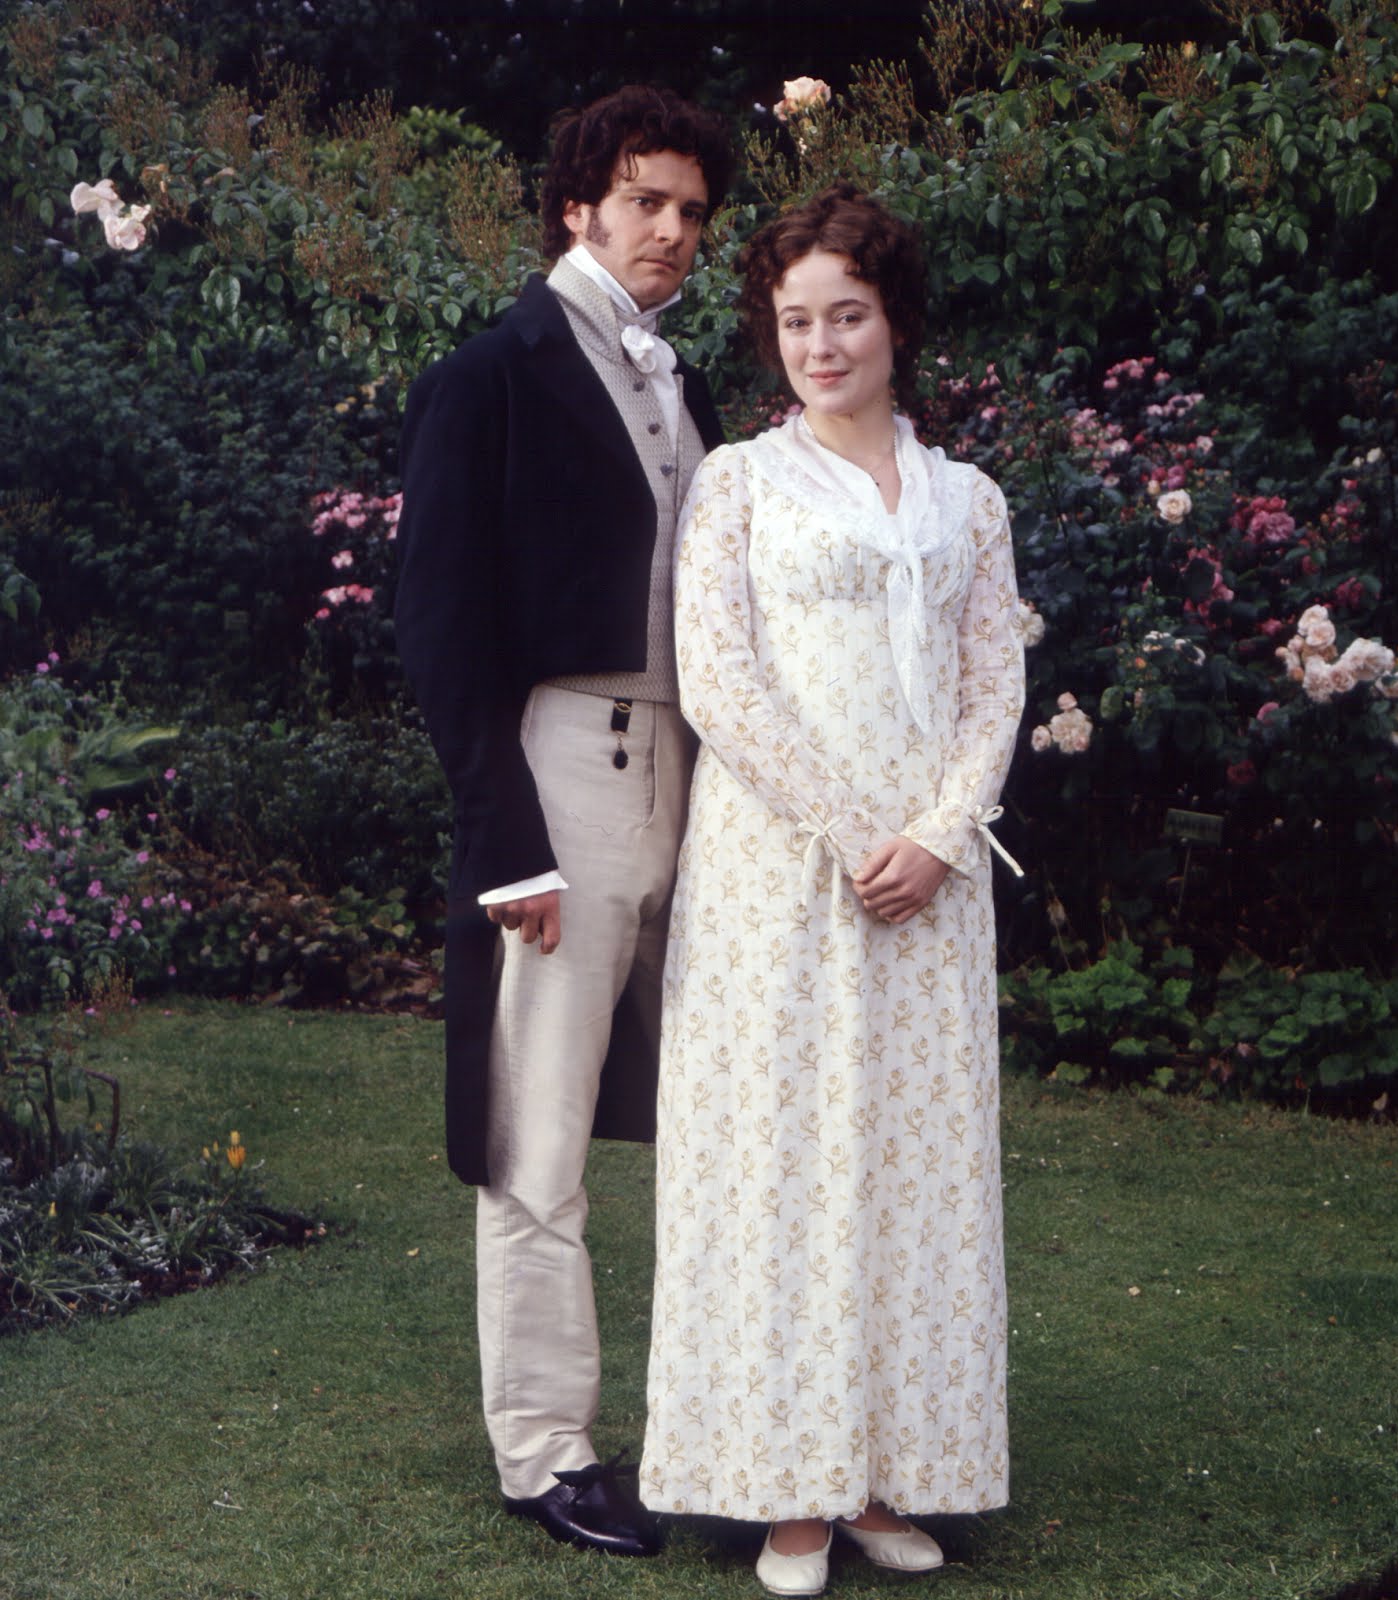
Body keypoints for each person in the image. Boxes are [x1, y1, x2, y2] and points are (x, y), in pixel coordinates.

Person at [639, 185, 1025, 1596]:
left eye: (846, 316)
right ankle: (783, 1489)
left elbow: (994, 683)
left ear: (895, 322)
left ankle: (879, 1477)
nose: (820, 345)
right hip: (780, 876)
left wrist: (939, 834)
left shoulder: (969, 501)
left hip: (931, 885)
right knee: (781, 1161)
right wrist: (858, 833)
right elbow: (717, 682)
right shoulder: (739, 483)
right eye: (795, 321)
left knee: (911, 1171)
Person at [394, 84, 733, 1559]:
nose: (672, 231)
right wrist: (506, 847)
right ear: (578, 205)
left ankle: (735, 1422)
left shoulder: (686, 381)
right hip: (562, 778)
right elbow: (438, 629)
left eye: (692, 211)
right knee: (539, 1138)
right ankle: (544, 1452)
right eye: (645, 201)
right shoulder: (492, 375)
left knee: (728, 1116)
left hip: (701, 781)